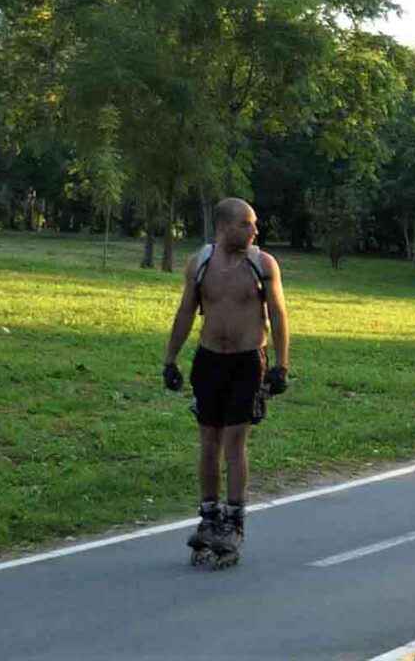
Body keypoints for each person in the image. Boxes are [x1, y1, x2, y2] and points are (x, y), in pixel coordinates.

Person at [163, 198, 290, 568]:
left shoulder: (262, 264)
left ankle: (234, 522)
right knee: (208, 442)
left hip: (248, 361)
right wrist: (170, 359)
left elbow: (279, 315)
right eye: (248, 224)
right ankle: (209, 518)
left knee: (234, 443)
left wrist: (281, 366)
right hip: (209, 360)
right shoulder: (200, 263)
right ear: (225, 227)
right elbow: (186, 311)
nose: (255, 230)